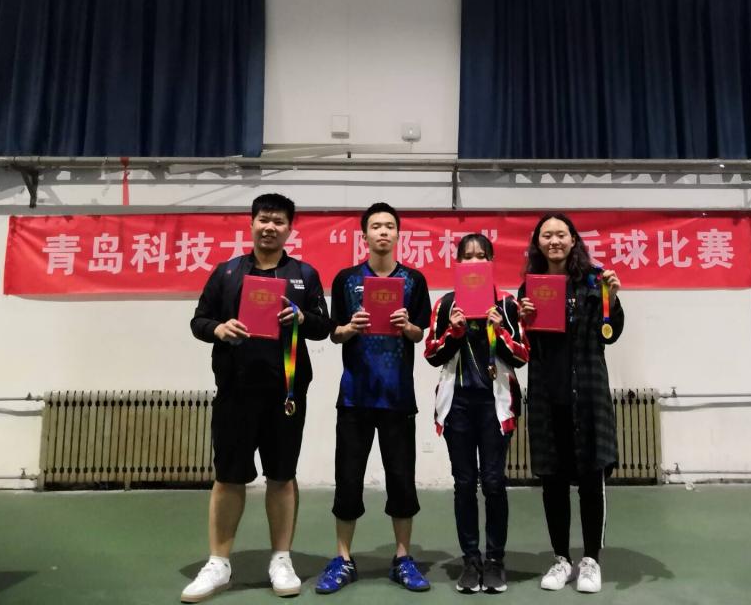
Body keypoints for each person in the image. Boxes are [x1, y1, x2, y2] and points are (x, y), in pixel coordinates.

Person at [183, 193, 331, 602]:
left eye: (278, 221)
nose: (270, 227)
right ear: (251, 224)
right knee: (228, 477)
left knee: (281, 476)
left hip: (286, 393)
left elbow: (323, 325)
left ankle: (281, 559)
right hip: (235, 392)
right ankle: (218, 563)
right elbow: (199, 320)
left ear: (289, 229)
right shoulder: (227, 272)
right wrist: (218, 329)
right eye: (263, 219)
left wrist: (302, 318)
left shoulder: (304, 274)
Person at [315, 202, 433, 594]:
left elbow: (420, 333)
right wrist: (350, 327)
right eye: (376, 226)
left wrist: (407, 326)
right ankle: (343, 558)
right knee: (348, 479)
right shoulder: (347, 279)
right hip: (354, 397)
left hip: (398, 399)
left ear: (398, 234)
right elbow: (334, 333)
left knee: (401, 480)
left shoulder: (414, 280)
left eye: (389, 226)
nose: (383, 232)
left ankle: (403, 557)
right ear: (364, 235)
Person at [518, 213, 624, 595]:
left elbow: (610, 333)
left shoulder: (595, 281)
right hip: (548, 397)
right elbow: (522, 346)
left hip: (588, 395)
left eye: (561, 234)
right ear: (538, 243)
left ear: (573, 240)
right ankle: (561, 559)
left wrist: (613, 298)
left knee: (591, 481)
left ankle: (591, 560)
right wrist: (523, 320)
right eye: (546, 235)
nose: (554, 241)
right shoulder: (529, 287)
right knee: (553, 482)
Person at [424, 233, 529, 594]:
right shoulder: (445, 304)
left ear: (491, 262)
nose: (474, 261)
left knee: (495, 482)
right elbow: (432, 354)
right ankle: (471, 561)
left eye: (481, 255)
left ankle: (495, 560)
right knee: (465, 484)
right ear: (458, 262)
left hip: (494, 405)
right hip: (458, 406)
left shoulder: (507, 303)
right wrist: (453, 331)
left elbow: (522, 355)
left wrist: (499, 329)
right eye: (466, 256)